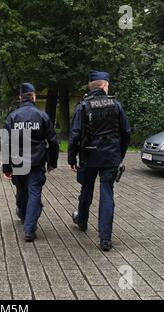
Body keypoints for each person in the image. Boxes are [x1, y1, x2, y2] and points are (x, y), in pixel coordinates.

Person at [68, 71, 131, 252]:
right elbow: (126, 133)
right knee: (107, 194)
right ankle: (105, 239)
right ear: (104, 86)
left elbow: (74, 135)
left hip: (89, 156)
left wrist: (72, 158)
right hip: (110, 157)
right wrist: (120, 154)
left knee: (86, 189)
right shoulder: (116, 105)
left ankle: (82, 221)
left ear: (91, 86)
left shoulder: (83, 107)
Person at [3, 83, 59, 242]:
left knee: (22, 190)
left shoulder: (13, 117)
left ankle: (23, 213)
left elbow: (7, 143)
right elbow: (53, 142)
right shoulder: (42, 116)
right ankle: (29, 228)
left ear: (20, 98)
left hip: (18, 161)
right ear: (33, 96)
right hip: (37, 161)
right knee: (34, 192)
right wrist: (52, 162)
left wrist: (7, 167)